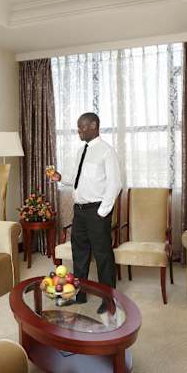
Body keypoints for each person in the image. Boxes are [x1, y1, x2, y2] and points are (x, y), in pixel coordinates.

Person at [50, 112, 122, 314]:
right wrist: (61, 177)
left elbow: (115, 183)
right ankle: (79, 294)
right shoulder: (81, 150)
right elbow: (77, 177)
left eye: (81, 127)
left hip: (96, 211)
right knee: (79, 253)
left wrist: (102, 212)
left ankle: (108, 299)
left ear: (93, 125)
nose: (78, 131)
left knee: (102, 255)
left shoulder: (106, 151)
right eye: (78, 127)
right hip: (79, 211)